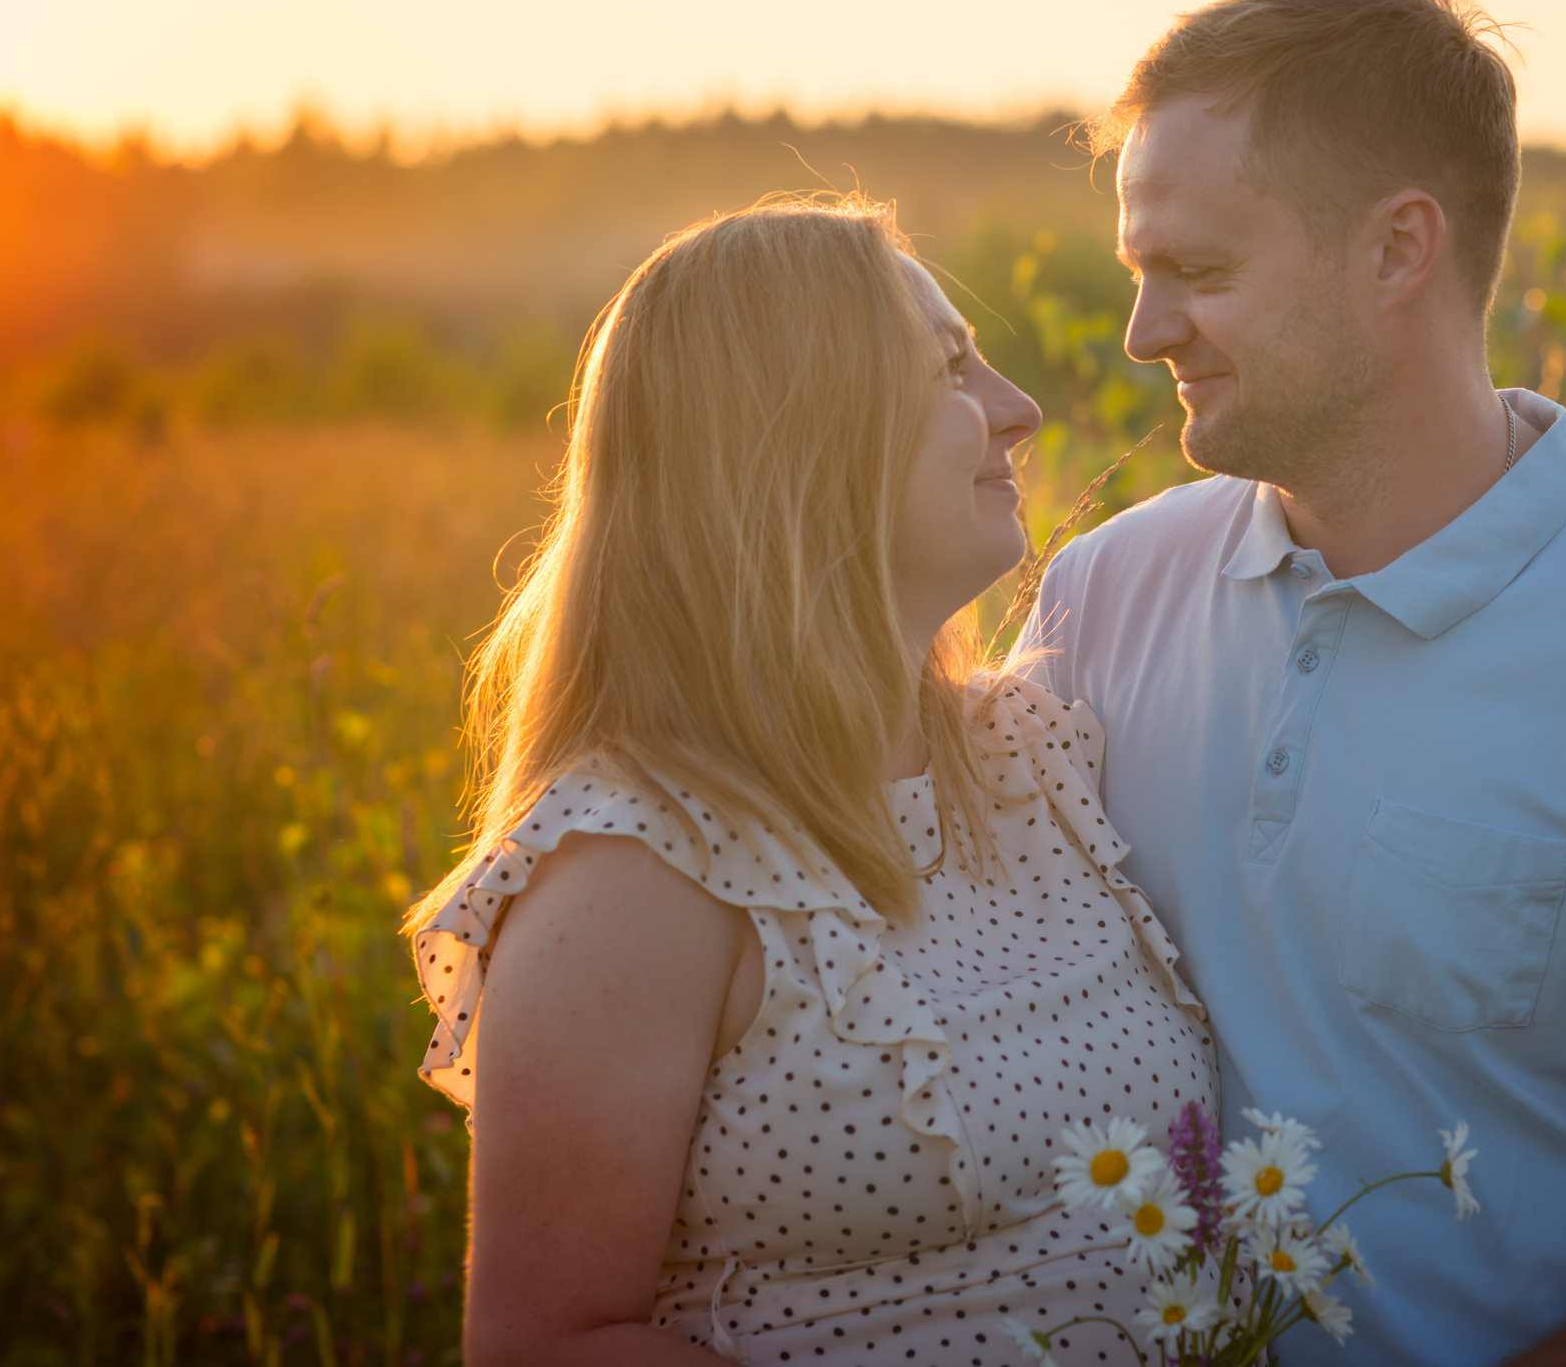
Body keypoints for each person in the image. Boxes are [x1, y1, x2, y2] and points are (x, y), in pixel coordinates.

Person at [1019, 0, 1566, 1366]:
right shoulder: (1100, 596)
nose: (1144, 332)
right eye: (1140, 274)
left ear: (1398, 250)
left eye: (1203, 272)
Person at [407, 202, 1215, 1366]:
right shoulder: (638, 867)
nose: (1020, 409)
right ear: (800, 434)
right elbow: (545, 1344)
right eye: (950, 367)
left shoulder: (1035, 755)